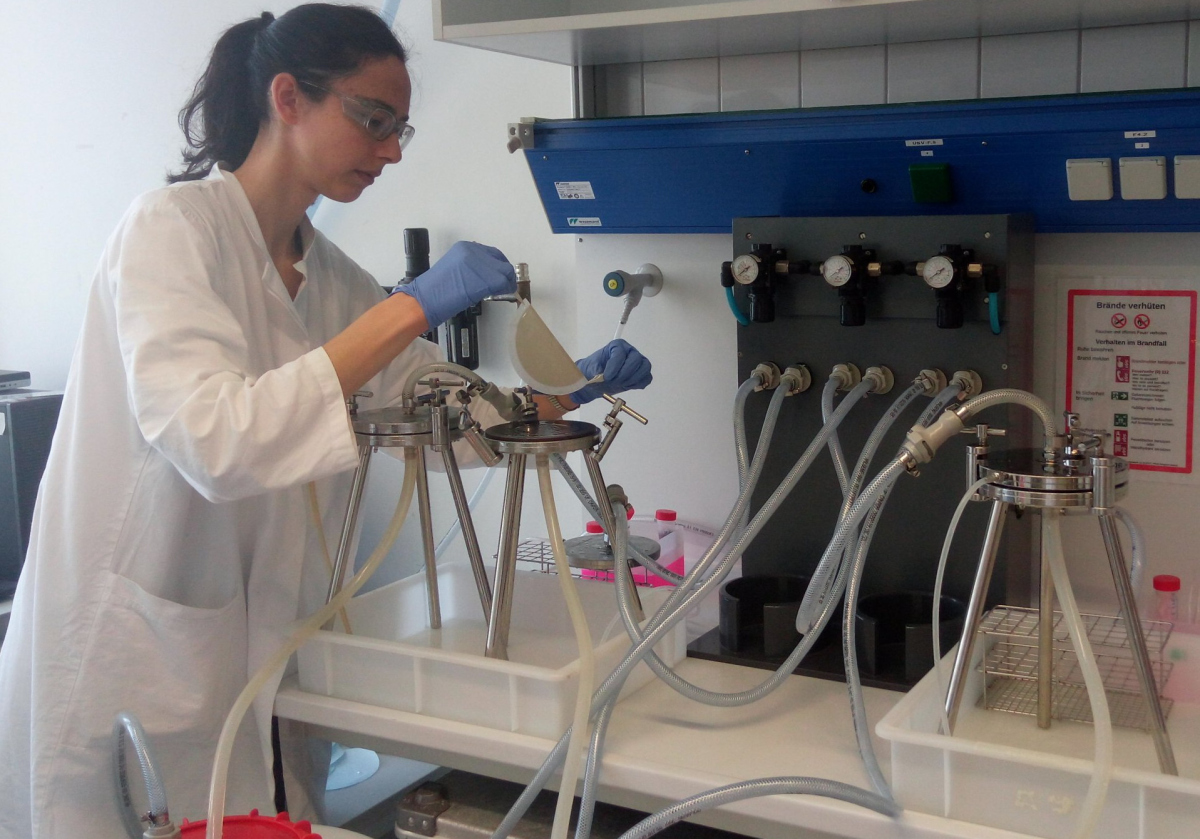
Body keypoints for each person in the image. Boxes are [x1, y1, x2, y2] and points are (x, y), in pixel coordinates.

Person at [0, 5, 651, 837]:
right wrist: (411, 307)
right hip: (131, 669)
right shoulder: (168, 234)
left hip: (265, 668)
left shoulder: (333, 276)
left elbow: (440, 408)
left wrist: (563, 395)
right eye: (373, 119)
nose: (388, 150)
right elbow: (217, 439)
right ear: (288, 98)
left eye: (399, 130)